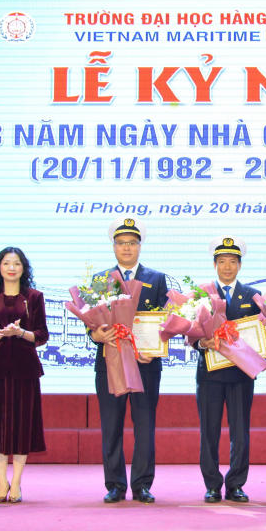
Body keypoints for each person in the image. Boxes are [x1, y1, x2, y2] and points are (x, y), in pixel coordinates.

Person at [89, 216, 168, 504]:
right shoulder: (101, 280)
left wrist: (156, 347)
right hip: (109, 362)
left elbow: (164, 321)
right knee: (111, 425)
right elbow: (92, 321)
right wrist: (95, 333)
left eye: (132, 243)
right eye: (121, 243)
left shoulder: (156, 279)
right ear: (114, 247)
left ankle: (142, 484)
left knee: (144, 425)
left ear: (139, 246)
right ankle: (115, 485)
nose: (126, 248)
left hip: (145, 364)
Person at [0, 247, 49, 504]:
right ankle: (1, 483)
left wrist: (20, 333)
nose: (11, 268)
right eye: (6, 263)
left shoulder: (34, 297)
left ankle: (16, 483)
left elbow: (41, 335)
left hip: (25, 369)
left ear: (23, 268)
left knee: (21, 426)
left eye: (16, 263)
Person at [195, 236, 262, 503]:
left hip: (240, 374)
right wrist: (201, 342)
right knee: (209, 432)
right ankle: (212, 484)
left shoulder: (252, 295)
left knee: (240, 432)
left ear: (240, 265)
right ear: (215, 264)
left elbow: (261, 331)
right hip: (210, 373)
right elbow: (191, 333)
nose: (227, 267)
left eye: (232, 262)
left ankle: (236, 484)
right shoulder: (201, 294)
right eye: (222, 261)